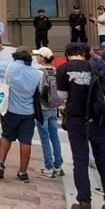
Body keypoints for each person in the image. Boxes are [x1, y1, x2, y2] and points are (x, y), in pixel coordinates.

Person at [56, 42, 105, 209]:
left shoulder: (63, 68)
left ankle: (84, 203)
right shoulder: (96, 67)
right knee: (104, 160)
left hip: (77, 119)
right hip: (99, 119)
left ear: (68, 54)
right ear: (85, 54)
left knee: (80, 160)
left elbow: (62, 97)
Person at [0, 45, 42, 182]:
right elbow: (39, 92)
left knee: (6, 136)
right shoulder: (37, 74)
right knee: (26, 142)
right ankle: (23, 172)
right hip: (28, 111)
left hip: (9, 109)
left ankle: (1, 163)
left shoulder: (8, 67)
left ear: (15, 56)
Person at [34, 47, 65, 178]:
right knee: (54, 136)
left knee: (45, 137)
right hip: (54, 107)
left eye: (38, 55)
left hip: (42, 107)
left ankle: (48, 166)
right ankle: (58, 165)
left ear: (42, 57)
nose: (36, 57)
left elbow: (38, 90)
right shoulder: (55, 71)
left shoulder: (39, 73)